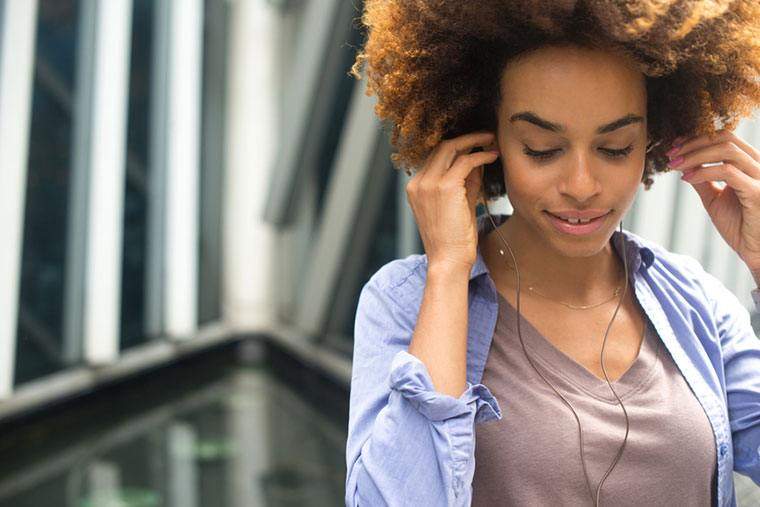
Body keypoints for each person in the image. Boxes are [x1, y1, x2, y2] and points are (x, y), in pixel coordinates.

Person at [344, 1, 760, 505]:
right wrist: (450, 270)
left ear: (651, 138)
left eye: (616, 148)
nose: (582, 186)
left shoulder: (698, 304)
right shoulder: (406, 302)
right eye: (542, 149)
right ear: (485, 138)